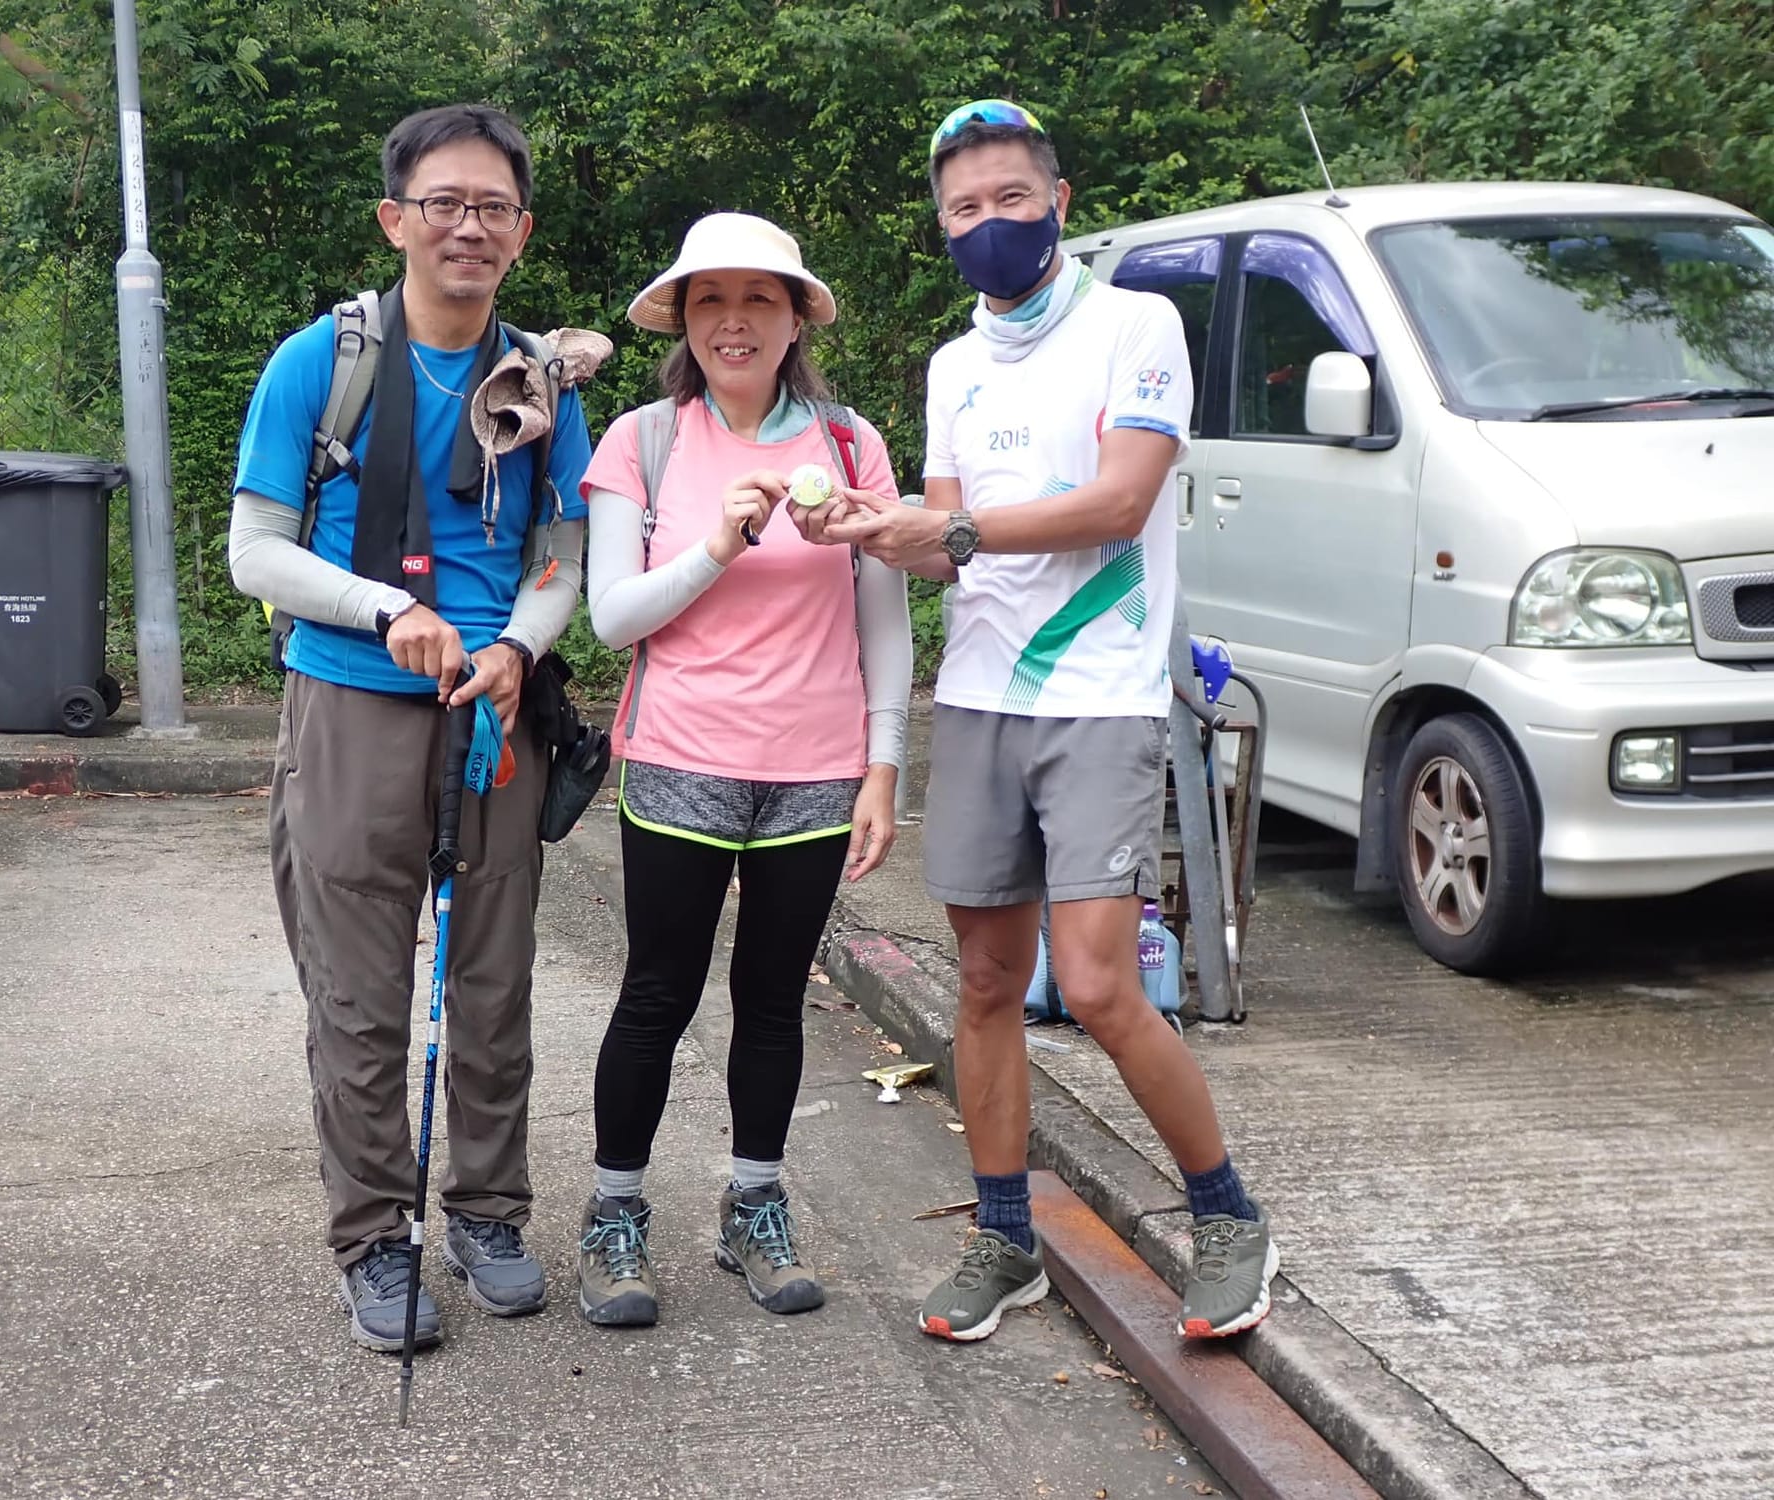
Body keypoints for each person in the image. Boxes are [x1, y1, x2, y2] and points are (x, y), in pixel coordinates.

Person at [818, 101, 1278, 1343]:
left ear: (1058, 204)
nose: (986, 226)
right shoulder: (951, 366)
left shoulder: (1137, 326)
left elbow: (1120, 502)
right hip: (976, 699)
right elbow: (944, 550)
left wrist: (946, 531)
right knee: (981, 981)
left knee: (1095, 983)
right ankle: (1003, 1238)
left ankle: (1228, 1219)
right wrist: (863, 531)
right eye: (962, 210)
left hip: (1100, 698)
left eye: (1009, 200)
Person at [227, 104, 593, 1350]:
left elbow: (560, 559)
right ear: (397, 219)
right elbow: (254, 554)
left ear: (521, 231)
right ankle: (375, 1237)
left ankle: (490, 1212)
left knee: (493, 984)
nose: (468, 227)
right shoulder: (314, 363)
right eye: (443, 203)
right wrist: (389, 608)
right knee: (357, 993)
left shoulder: (537, 377)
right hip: (350, 707)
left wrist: (514, 649)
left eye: (492, 207)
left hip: (494, 712)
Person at [572, 212, 913, 1326]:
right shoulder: (643, 442)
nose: (732, 319)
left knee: (772, 1002)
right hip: (680, 756)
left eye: (756, 297)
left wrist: (883, 766)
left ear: (792, 317)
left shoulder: (852, 446)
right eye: (708, 298)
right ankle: (614, 1216)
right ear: (681, 319)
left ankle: (753, 1206)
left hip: (814, 769)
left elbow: (884, 619)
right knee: (656, 995)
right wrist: (714, 546)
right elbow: (613, 618)